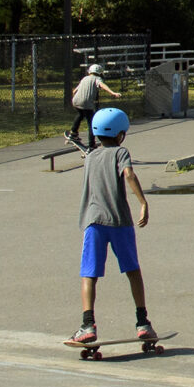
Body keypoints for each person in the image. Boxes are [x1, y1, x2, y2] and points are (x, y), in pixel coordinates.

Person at [71, 108, 154, 344]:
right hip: (119, 221)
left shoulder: (90, 157)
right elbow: (128, 174)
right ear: (120, 134)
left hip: (94, 221)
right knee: (132, 271)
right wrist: (143, 202)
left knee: (89, 275)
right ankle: (143, 322)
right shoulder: (121, 152)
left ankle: (87, 325)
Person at [67, 64, 123, 151]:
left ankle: (73, 133)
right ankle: (91, 145)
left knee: (80, 114)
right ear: (100, 73)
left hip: (75, 101)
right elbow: (102, 85)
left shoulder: (84, 78)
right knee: (92, 124)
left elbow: (75, 90)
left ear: (90, 71)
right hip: (86, 103)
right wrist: (112, 93)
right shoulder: (97, 79)